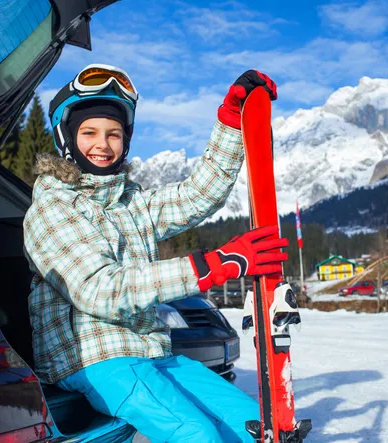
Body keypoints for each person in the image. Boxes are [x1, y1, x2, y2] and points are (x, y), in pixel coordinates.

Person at [23, 64, 285, 443]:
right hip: (96, 359)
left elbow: (197, 195)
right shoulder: (51, 209)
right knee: (197, 435)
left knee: (253, 425)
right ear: (66, 139)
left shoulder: (132, 203)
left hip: (151, 352)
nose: (103, 144)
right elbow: (100, 290)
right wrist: (213, 264)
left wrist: (230, 123)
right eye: (89, 132)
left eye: (114, 134)